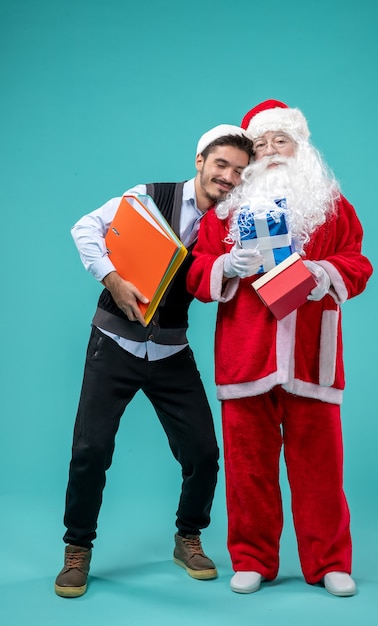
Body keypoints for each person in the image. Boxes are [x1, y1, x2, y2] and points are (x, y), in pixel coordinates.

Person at [55, 124, 253, 598]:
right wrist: (112, 280)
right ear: (200, 161)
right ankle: (77, 549)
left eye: (239, 172)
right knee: (90, 451)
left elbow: (211, 287)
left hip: (171, 350)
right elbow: (86, 227)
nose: (227, 177)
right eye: (221, 164)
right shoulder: (147, 195)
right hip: (113, 344)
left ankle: (188, 537)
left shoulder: (229, 225)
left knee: (203, 453)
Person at [187, 100, 373, 597]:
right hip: (246, 353)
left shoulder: (332, 205)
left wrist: (324, 274)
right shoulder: (224, 213)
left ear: (300, 147)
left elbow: (358, 261)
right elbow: (194, 270)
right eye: (261, 144)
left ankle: (329, 561)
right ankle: (252, 559)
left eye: (280, 141)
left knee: (320, 467)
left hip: (314, 355)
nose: (270, 151)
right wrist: (225, 266)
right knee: (249, 469)